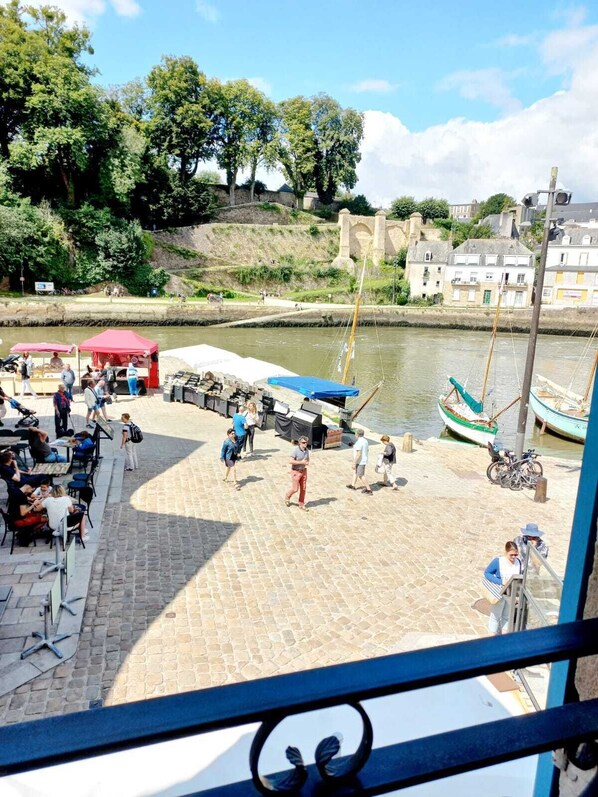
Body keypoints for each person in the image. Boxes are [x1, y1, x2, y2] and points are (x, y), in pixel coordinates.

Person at [483, 541, 522, 635]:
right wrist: (500, 582)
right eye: (511, 555)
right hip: (499, 593)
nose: (513, 557)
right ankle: (491, 639)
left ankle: (503, 638)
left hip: (511, 594)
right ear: (506, 552)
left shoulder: (519, 563)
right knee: (495, 616)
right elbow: (487, 573)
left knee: (507, 616)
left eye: (515, 555)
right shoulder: (498, 561)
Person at [284, 437, 310, 511]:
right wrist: (301, 462)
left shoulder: (306, 450)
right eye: (303, 443)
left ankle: (301, 504)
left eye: (306, 442)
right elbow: (290, 461)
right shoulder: (295, 450)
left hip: (303, 471)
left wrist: (307, 462)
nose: (305, 444)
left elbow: (307, 459)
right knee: (295, 489)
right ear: (299, 443)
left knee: (303, 488)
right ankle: (287, 496)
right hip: (295, 471)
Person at [347, 429, 372, 494]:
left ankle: (369, 489)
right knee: (355, 472)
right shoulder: (365, 441)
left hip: (360, 461)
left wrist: (354, 463)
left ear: (357, 434)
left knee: (361, 475)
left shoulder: (359, 442)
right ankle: (352, 485)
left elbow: (358, 454)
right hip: (363, 460)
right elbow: (367, 449)